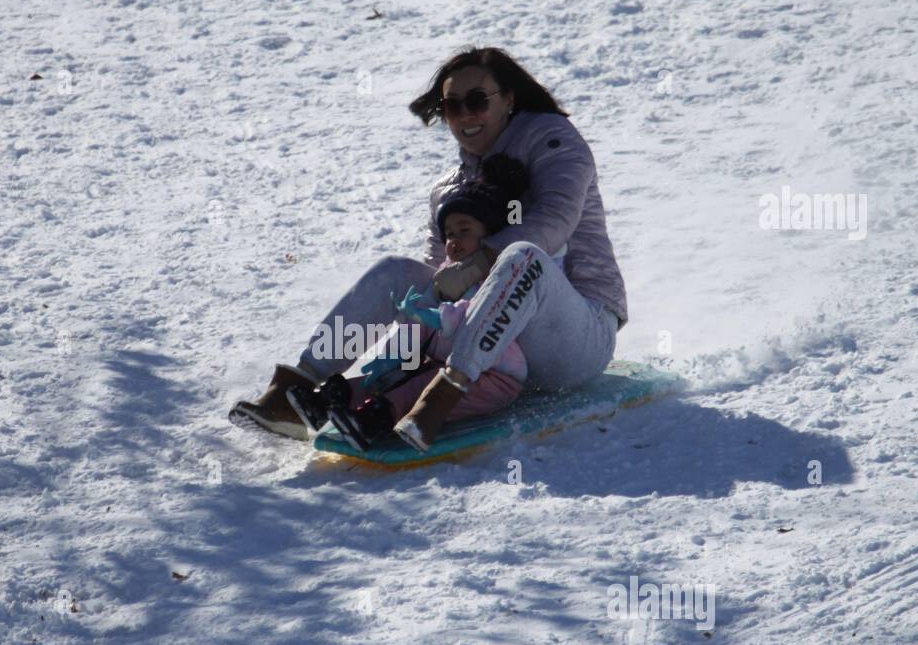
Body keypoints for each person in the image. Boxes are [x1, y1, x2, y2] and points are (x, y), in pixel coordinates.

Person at [230, 46, 627, 451]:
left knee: (523, 257)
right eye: (452, 106)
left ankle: (439, 399)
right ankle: (297, 390)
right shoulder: (450, 188)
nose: (466, 115)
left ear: (508, 99)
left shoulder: (556, 144)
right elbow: (439, 286)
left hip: (573, 339)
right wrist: (396, 362)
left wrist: (477, 265)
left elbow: (556, 220)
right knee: (397, 273)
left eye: (477, 101)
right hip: (496, 353)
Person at [289, 159, 531, 452]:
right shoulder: (448, 275)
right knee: (398, 370)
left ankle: (375, 420)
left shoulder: (496, 276)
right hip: (445, 363)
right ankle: (332, 400)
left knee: (421, 384)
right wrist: (394, 356)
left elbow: (475, 317)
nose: (454, 241)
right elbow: (420, 326)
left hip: (492, 376)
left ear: (488, 235)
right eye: (450, 234)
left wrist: (431, 316)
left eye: (464, 230)